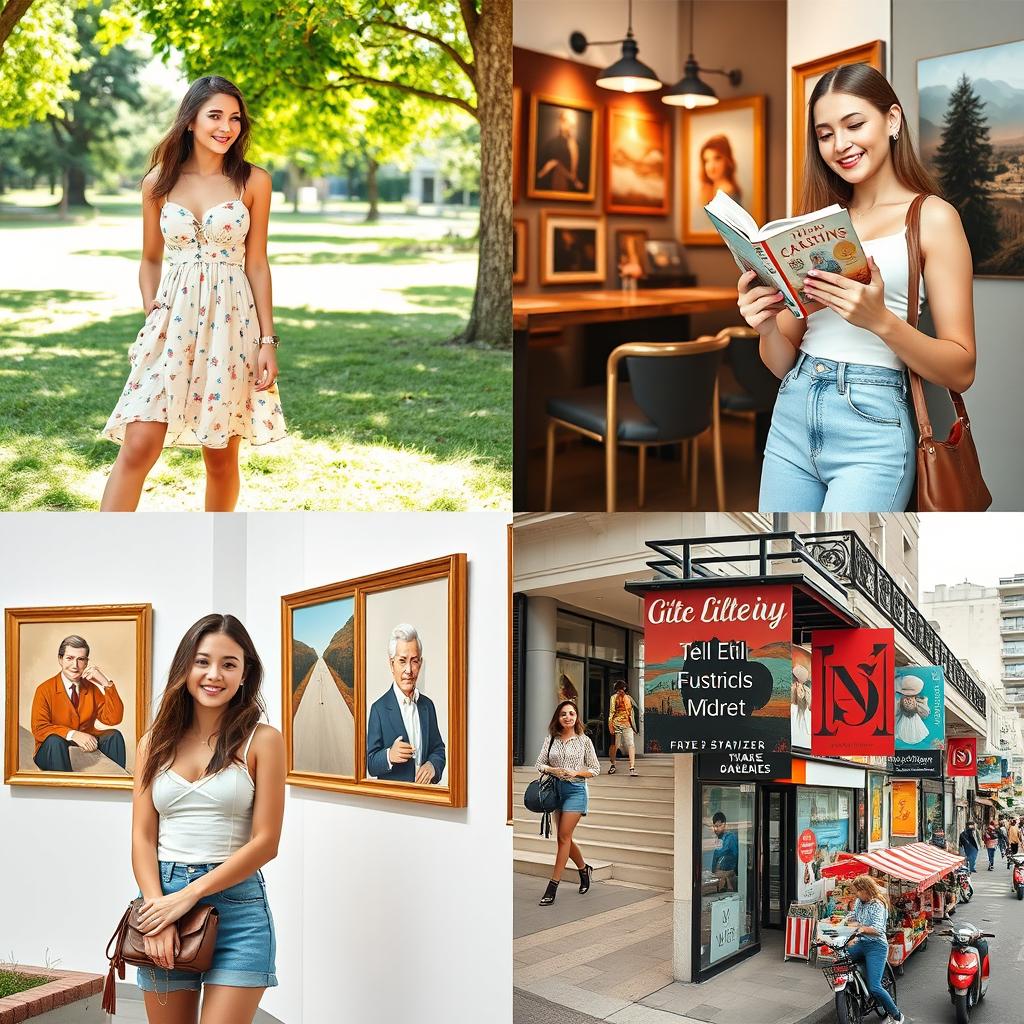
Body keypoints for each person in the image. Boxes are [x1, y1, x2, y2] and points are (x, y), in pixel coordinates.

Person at [738, 63, 977, 512]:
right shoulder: (816, 226)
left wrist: (880, 321)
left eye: (854, 124)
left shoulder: (932, 218)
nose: (840, 145)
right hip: (793, 409)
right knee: (782, 555)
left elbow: (962, 368)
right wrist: (766, 327)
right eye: (825, 134)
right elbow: (780, 362)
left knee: (842, 570)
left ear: (891, 120)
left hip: (874, 421)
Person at [101, 76, 286, 512]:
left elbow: (257, 263)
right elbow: (150, 259)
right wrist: (153, 310)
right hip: (171, 323)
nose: (227, 127)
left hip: (232, 324)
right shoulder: (158, 183)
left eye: (235, 118)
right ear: (190, 121)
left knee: (221, 458)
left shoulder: (253, 181)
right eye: (215, 116)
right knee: (138, 443)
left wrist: (267, 341)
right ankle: (100, 551)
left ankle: (214, 552)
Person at [131, 613, 285, 1023]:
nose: (213, 674)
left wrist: (188, 897)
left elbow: (266, 842)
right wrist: (158, 910)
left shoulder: (263, 741)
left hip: (239, 911)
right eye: (202, 661)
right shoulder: (153, 743)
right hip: (163, 900)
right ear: (185, 666)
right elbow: (143, 837)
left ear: (244, 672)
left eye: (228, 664)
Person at [535, 700, 600, 906]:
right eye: (564, 714)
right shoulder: (551, 739)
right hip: (555, 791)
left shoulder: (584, 741)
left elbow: (595, 769)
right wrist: (553, 770)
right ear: (558, 717)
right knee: (565, 839)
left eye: (571, 713)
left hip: (575, 790)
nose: (568, 717)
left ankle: (552, 886)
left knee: (563, 837)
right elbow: (539, 763)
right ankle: (584, 870)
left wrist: (576, 772)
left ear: (576, 717)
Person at [31, 635, 126, 771]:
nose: (75, 666)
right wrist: (73, 734)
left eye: (80, 659)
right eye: (69, 658)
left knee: (114, 736)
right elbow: (39, 728)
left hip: (85, 743)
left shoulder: (91, 688)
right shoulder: (44, 689)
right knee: (54, 741)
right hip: (52, 747)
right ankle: (66, 789)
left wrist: (106, 683)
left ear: (86, 663)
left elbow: (113, 718)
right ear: (60, 659)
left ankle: (115, 783)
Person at [366, 624, 446, 785]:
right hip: (395, 805)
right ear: (392, 664)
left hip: (426, 800)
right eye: (402, 661)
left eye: (414, 661)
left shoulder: (428, 706)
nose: (409, 670)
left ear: (420, 664)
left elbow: (438, 750)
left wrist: (433, 766)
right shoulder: (378, 709)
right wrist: (389, 755)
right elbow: (371, 764)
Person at [846, 874, 904, 1024]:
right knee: (841, 956)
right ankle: (854, 987)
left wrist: (859, 929)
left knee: (875, 987)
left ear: (866, 889)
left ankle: (897, 1015)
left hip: (876, 947)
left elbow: (877, 929)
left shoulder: (878, 904)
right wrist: (840, 922)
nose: (856, 894)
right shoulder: (859, 901)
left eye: (858, 891)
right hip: (861, 943)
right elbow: (853, 916)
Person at [536, 108, 586, 193]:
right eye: (568, 122)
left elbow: (579, 173)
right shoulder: (551, 145)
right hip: (557, 186)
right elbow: (539, 175)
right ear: (561, 122)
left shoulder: (578, 145)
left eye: (573, 124)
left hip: (573, 190)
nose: (571, 126)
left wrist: (576, 181)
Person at [698, 135, 742, 205]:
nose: (711, 166)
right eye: (707, 160)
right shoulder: (711, 190)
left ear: (727, 160)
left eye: (717, 158)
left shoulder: (727, 193)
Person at [607, 680, 638, 776]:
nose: (619, 691)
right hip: (616, 724)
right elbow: (611, 712)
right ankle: (612, 764)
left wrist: (634, 727)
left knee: (631, 744)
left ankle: (632, 767)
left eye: (621, 689)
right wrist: (610, 725)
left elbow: (632, 713)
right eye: (618, 690)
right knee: (616, 745)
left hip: (627, 725)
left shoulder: (628, 698)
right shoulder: (613, 698)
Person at [710, 811, 739, 891]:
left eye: (719, 826)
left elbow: (720, 852)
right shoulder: (720, 838)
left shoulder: (730, 837)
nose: (716, 829)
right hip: (722, 874)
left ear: (725, 825)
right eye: (714, 826)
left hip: (729, 872)